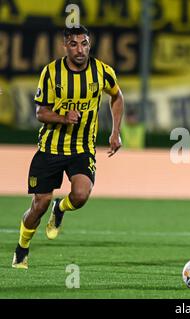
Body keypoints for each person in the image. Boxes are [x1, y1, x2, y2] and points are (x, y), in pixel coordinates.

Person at [12, 25, 124, 269]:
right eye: (73, 44)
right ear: (65, 46)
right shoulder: (51, 73)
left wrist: (115, 132)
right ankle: (22, 248)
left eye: (84, 43)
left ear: (90, 44)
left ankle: (60, 207)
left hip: (82, 149)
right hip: (50, 149)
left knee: (81, 195)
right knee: (38, 206)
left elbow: (117, 96)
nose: (80, 49)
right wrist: (64, 118)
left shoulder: (102, 71)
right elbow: (40, 112)